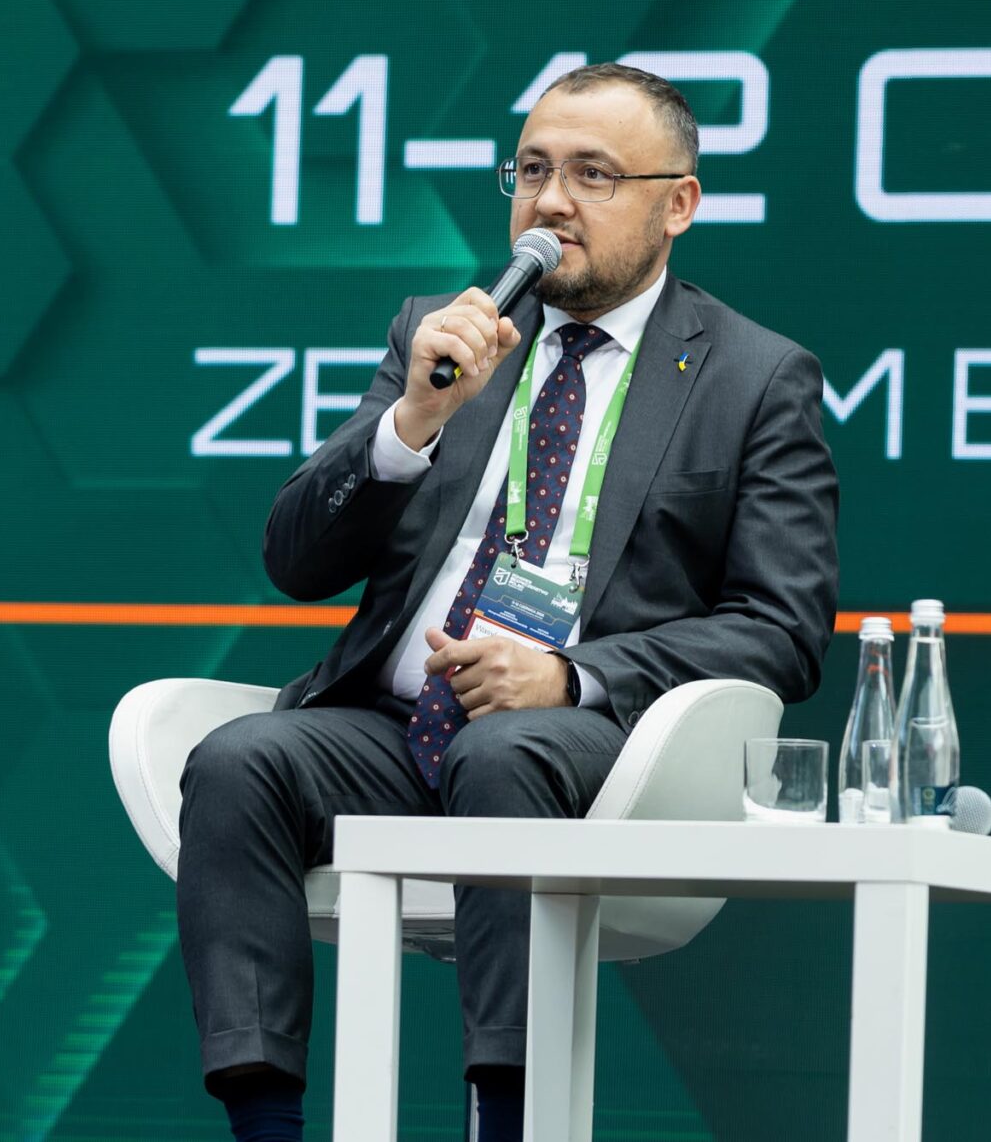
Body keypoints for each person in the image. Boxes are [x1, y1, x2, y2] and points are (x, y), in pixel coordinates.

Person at [176, 62, 840, 1142]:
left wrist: (572, 675)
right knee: (239, 759)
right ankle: (265, 1127)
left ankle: (508, 1119)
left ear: (677, 203)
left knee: (502, 752)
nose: (551, 202)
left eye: (592, 175)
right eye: (532, 171)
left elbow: (782, 628)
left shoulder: (754, 377)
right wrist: (411, 424)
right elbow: (295, 560)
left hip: (592, 749)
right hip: (389, 729)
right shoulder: (444, 337)